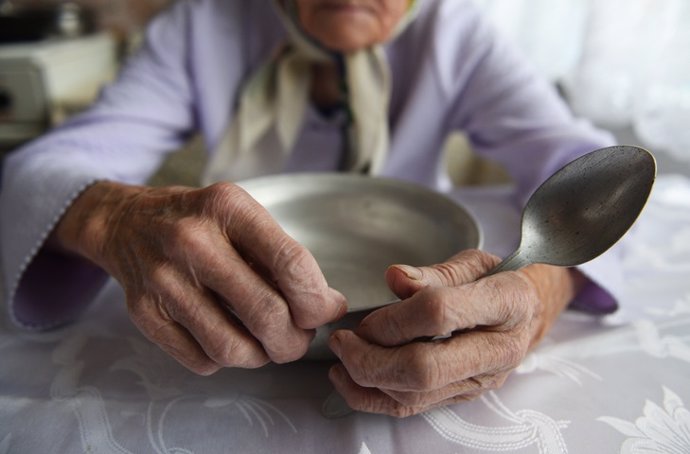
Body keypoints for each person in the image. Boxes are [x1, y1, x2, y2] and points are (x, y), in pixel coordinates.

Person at [0, 0, 621, 417]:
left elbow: (594, 169)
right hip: (218, 367)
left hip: (416, 326)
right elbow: (39, 168)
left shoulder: (454, 31)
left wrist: (543, 283)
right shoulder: (203, 23)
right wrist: (115, 219)